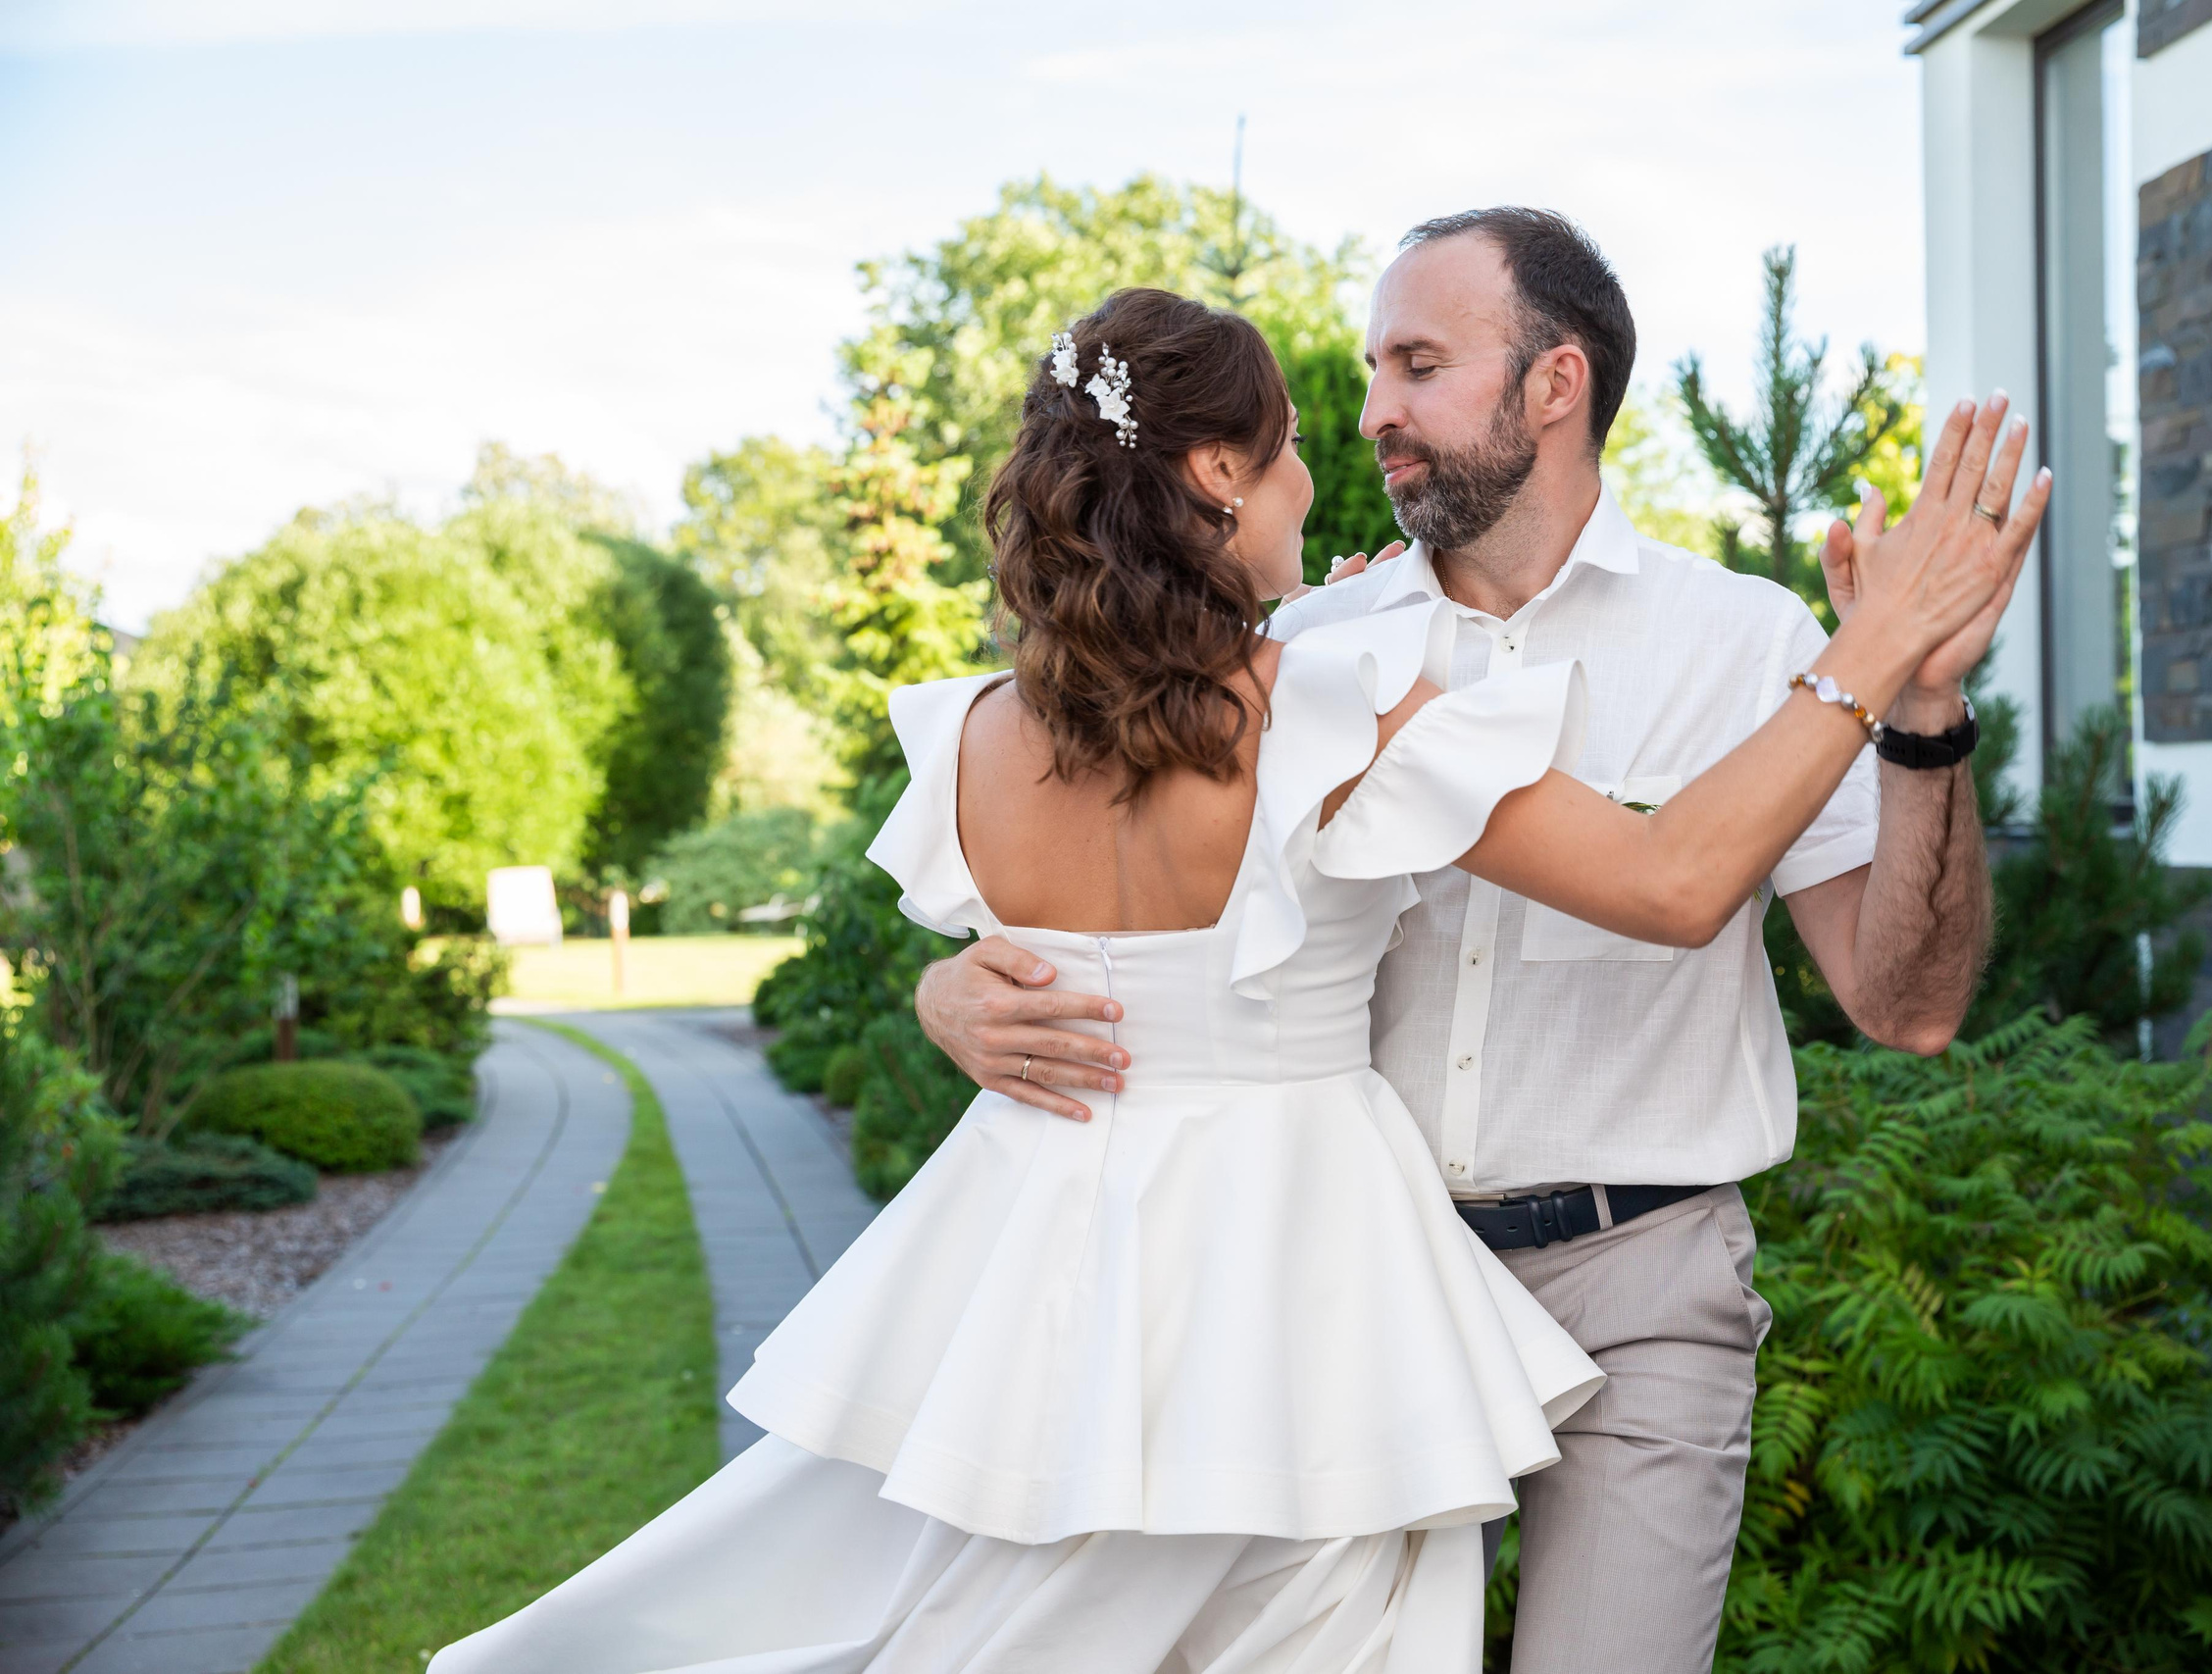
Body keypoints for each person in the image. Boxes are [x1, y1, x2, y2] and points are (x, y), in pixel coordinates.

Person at [429, 282, 2041, 1673]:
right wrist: (1873, 645)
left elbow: (1040, 943)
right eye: (1284, 452)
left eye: (1402, 373)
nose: (1316, 477)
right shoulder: (1323, 699)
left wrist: (946, 994)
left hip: (1065, 1267)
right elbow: (1680, 880)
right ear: (1213, 473)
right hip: (1303, 1272)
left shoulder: (985, 735)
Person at [912, 213, 2036, 1674]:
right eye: (1368, 374)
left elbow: (1908, 1007)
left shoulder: (1757, 649)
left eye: (1418, 364)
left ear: (1555, 384)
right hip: (1341, 1287)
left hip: (1644, 1286)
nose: (1374, 409)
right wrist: (962, 991)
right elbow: (1122, 896)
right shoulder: (1309, 658)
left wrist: (1921, 707)